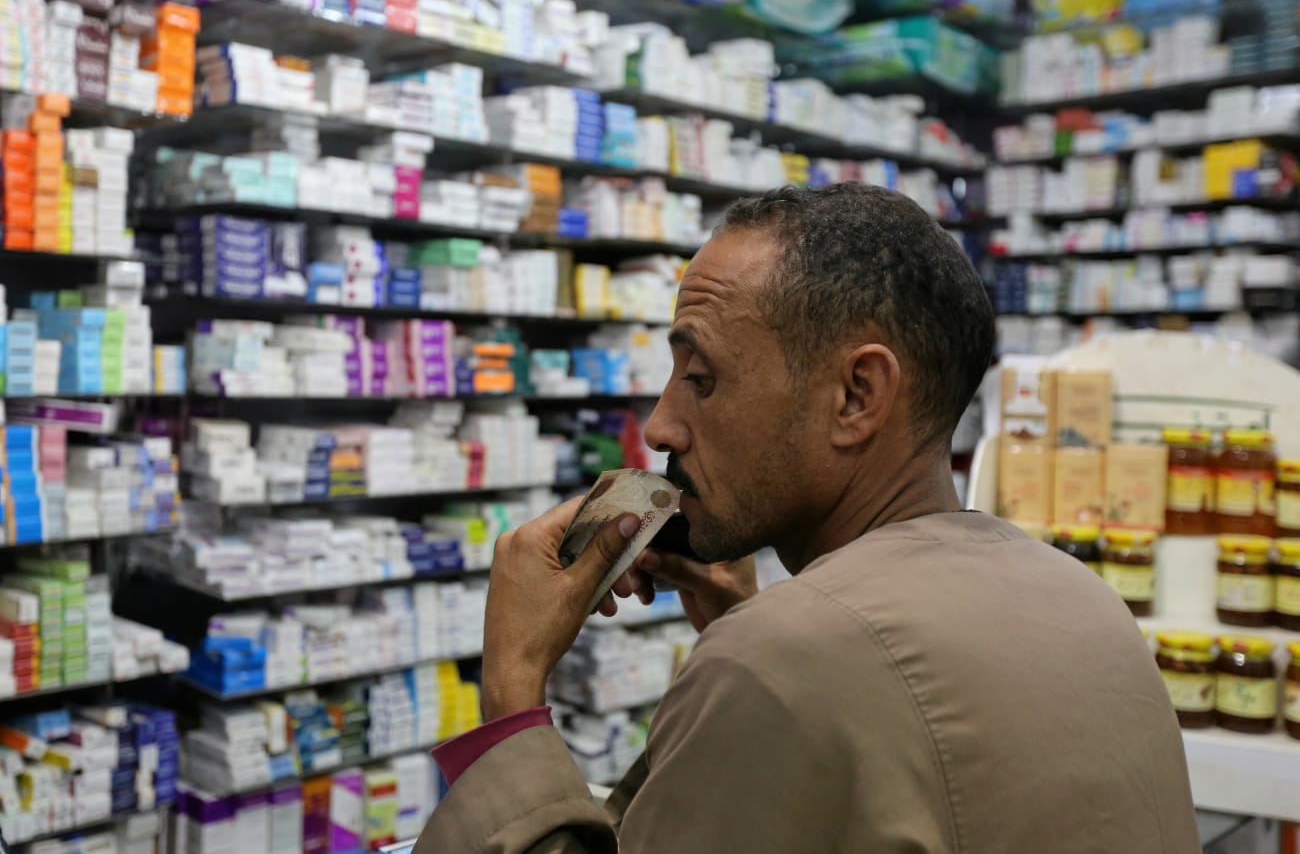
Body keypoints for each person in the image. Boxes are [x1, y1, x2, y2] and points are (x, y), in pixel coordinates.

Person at [413, 184, 1200, 853]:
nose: (658, 426)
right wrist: (746, 622)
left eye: (701, 377)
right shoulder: (1082, 597)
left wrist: (512, 694)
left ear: (857, 396)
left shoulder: (782, 661)